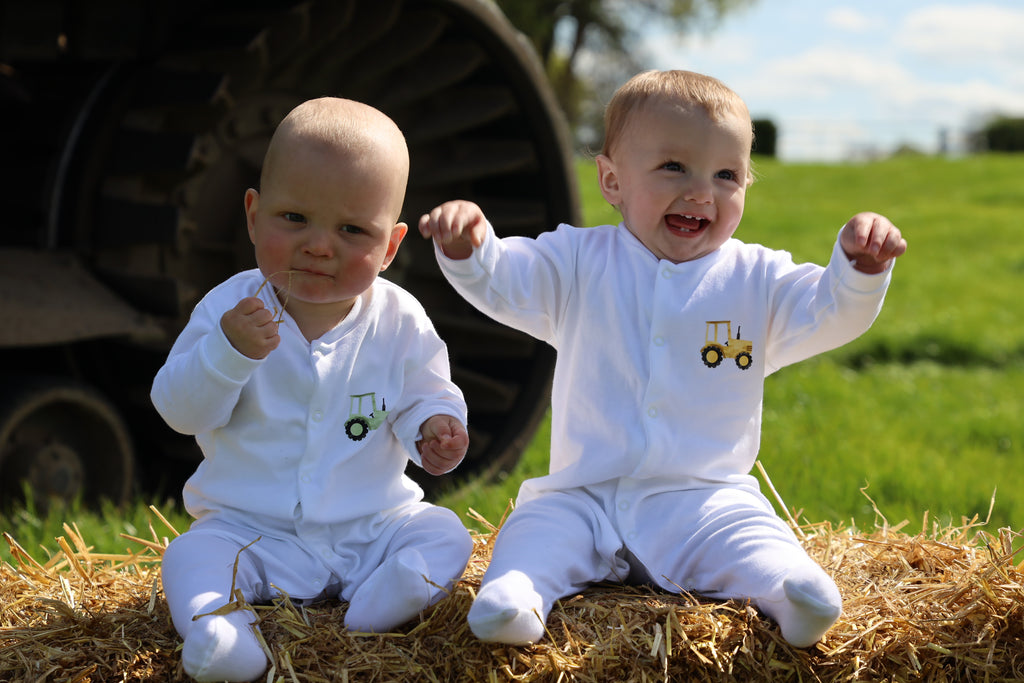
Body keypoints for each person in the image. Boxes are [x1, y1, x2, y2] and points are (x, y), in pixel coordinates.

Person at [418, 70, 906, 648]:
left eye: (727, 175)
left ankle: (791, 591)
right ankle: (516, 599)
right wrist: (472, 250)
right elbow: (508, 279)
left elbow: (828, 311)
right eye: (674, 167)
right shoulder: (577, 261)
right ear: (612, 180)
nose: (702, 192)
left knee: (753, 537)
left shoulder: (758, 279)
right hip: (585, 495)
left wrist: (857, 272)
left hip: (703, 497)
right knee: (534, 532)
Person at [152, 97, 473, 682]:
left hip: (371, 526)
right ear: (253, 215)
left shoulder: (400, 319)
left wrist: (434, 426)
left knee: (445, 532)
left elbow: (425, 391)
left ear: (391, 246)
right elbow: (177, 410)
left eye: (352, 230)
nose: (320, 246)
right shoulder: (230, 308)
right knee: (190, 556)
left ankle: (389, 596)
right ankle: (218, 631)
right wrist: (227, 355)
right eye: (294, 219)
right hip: (250, 531)